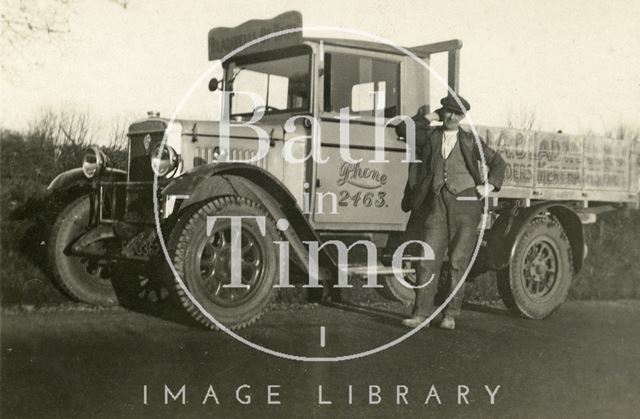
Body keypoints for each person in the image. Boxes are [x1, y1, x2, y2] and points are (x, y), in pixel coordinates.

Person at [400, 94, 506, 330]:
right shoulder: (430, 137)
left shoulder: (470, 140)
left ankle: (450, 314)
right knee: (427, 258)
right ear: (442, 112)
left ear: (463, 116)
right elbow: (403, 128)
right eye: (447, 111)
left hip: (466, 204)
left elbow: (499, 163)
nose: (451, 116)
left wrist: (487, 187)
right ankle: (420, 315)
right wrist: (431, 116)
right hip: (436, 203)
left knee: (458, 261)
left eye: (457, 113)